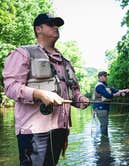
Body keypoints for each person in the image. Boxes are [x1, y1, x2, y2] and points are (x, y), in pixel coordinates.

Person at [3, 13, 89, 166]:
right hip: (34, 132)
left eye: (57, 25)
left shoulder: (66, 62)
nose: (56, 27)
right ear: (38, 29)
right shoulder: (23, 53)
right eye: (51, 24)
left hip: (61, 130)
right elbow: (10, 87)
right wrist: (38, 93)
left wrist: (80, 99)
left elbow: (73, 91)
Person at [92, 71, 129, 136]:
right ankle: (104, 140)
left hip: (104, 108)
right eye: (105, 76)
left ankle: (104, 142)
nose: (106, 77)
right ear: (100, 77)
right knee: (104, 125)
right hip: (100, 108)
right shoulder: (99, 86)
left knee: (105, 125)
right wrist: (116, 95)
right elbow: (107, 95)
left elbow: (115, 90)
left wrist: (125, 90)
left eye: (106, 76)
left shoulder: (105, 85)